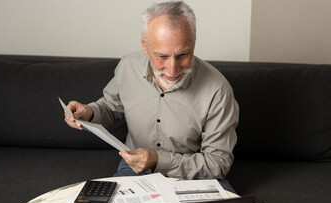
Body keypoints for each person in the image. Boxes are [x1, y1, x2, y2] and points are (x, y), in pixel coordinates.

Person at [64, 1, 239, 191]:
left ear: (194, 43)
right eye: (162, 56)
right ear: (144, 45)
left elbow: (218, 164)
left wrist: (158, 160)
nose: (173, 69)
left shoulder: (218, 90)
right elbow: (112, 108)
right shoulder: (127, 66)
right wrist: (89, 112)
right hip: (133, 170)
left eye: (182, 54)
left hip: (195, 177)